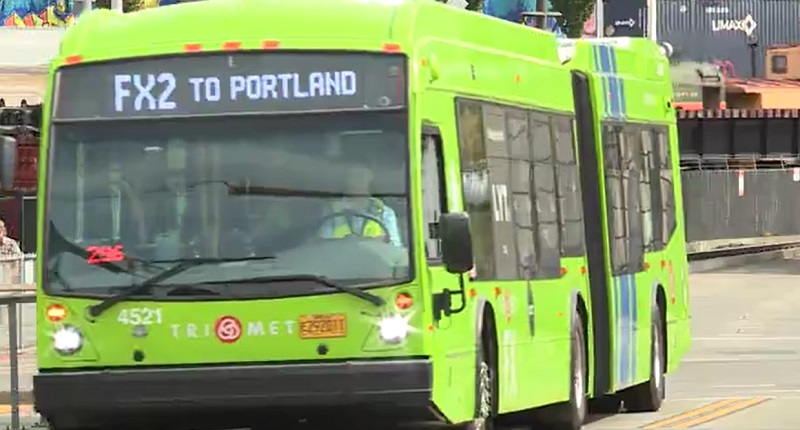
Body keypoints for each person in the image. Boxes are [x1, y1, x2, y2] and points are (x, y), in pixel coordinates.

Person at [318, 164, 402, 247]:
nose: (357, 180)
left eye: (361, 175)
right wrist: (372, 241)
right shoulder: (332, 211)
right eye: (352, 176)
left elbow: (395, 247)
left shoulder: (385, 212)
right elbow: (324, 245)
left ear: (370, 177)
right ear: (346, 179)